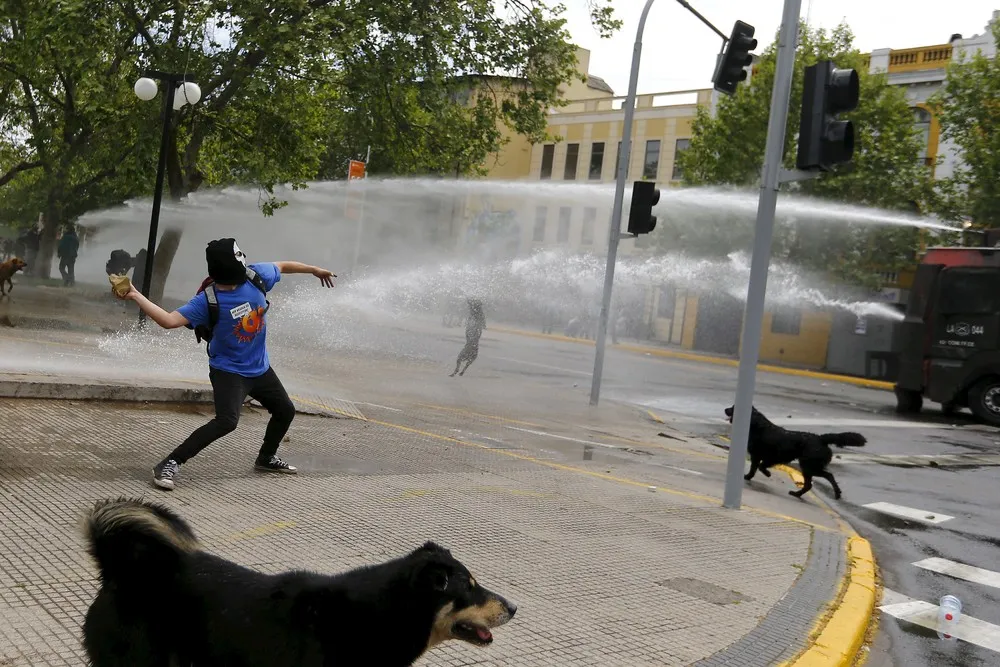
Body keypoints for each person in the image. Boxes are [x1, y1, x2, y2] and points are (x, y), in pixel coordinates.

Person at [117, 238, 335, 490]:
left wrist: (314, 270)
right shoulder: (207, 300)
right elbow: (168, 320)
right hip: (228, 371)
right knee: (227, 421)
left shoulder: (255, 276)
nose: (235, 283)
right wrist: (135, 294)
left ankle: (266, 458)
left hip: (260, 367)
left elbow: (283, 265)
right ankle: (170, 463)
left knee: (285, 409)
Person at [450, 298, 486, 377]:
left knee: (459, 358)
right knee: (468, 358)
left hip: (470, 344)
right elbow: (483, 326)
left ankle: (458, 369)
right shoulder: (479, 316)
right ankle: (463, 370)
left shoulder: (474, 316)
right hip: (474, 345)